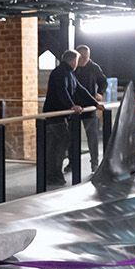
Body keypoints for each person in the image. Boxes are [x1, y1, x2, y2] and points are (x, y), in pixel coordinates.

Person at [43, 48, 80, 186]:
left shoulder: (68, 73)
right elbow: (61, 91)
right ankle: (53, 174)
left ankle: (52, 174)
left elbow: (80, 89)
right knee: (59, 143)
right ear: (73, 61)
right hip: (55, 115)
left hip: (59, 115)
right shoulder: (60, 73)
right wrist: (72, 106)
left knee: (55, 145)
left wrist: (95, 103)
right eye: (77, 60)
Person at [73, 44, 107, 176]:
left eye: (86, 57)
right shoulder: (73, 67)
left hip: (90, 106)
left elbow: (103, 81)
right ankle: (72, 162)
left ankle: (95, 163)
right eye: (81, 57)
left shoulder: (94, 67)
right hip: (74, 106)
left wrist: (100, 93)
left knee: (92, 136)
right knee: (72, 137)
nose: (84, 60)